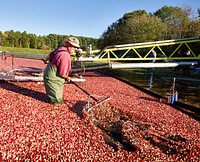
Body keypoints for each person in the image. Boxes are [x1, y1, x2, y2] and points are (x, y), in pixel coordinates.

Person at [43, 37, 80, 104]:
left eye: (76, 47)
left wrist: (46, 60)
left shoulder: (60, 48)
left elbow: (50, 54)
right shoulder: (65, 55)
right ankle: (53, 102)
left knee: (56, 93)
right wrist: (68, 78)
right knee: (57, 102)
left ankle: (50, 98)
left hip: (48, 73)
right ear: (69, 45)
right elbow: (62, 73)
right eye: (74, 47)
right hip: (53, 78)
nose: (76, 49)